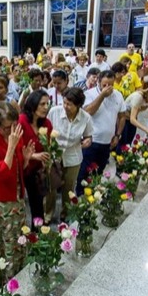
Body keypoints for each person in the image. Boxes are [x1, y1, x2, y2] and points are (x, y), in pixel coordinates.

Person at [0, 102, 34, 277]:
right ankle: (1, 276)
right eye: (6, 128)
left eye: (14, 125)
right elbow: (1, 174)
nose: (11, 131)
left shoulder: (16, 134)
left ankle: (17, 269)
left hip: (16, 196)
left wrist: (25, 159)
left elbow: (18, 170)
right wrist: (11, 146)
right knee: (1, 240)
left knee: (16, 237)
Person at [47, 87, 93, 221]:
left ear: (78, 105)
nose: (66, 106)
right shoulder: (54, 112)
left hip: (73, 157)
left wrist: (88, 141)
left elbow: (88, 136)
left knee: (69, 188)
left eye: (70, 104)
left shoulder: (85, 118)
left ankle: (65, 214)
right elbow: (46, 131)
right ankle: (48, 213)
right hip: (55, 155)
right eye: (64, 102)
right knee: (51, 187)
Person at [77, 70, 126, 191]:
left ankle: (93, 196)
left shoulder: (118, 95)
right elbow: (88, 112)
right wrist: (102, 96)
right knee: (84, 172)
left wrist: (117, 135)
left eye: (111, 85)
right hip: (91, 141)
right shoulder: (89, 94)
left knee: (98, 172)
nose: (108, 88)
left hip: (107, 142)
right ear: (98, 82)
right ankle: (80, 197)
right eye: (104, 85)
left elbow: (122, 116)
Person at [18, 91, 52, 226]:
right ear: (32, 105)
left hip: (37, 171)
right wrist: (33, 155)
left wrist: (46, 158)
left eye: (47, 104)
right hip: (21, 168)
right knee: (18, 204)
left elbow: (48, 145)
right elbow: (14, 148)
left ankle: (37, 235)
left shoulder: (47, 124)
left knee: (37, 205)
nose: (46, 107)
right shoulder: (21, 121)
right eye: (42, 104)